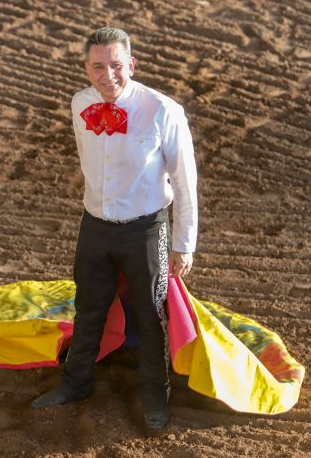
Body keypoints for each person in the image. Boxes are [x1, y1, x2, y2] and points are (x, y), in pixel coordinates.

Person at [30, 27, 198, 430]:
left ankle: (155, 395)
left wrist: (183, 244)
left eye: (117, 65)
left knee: (149, 314)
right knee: (88, 308)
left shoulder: (163, 110)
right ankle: (75, 382)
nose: (109, 75)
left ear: (132, 65)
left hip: (145, 230)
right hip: (94, 227)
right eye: (98, 66)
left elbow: (185, 180)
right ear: (87, 68)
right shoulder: (79, 104)